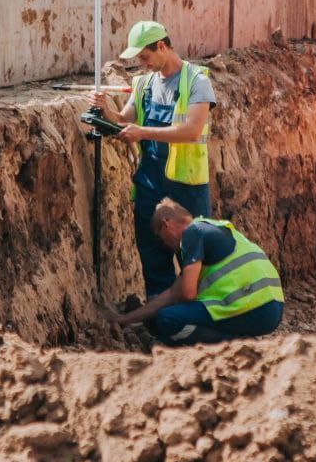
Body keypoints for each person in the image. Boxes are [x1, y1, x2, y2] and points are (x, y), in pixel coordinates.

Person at [91, 21, 214, 298]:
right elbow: (125, 120)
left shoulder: (197, 81)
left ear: (161, 46)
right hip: (150, 181)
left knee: (194, 255)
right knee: (151, 250)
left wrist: (142, 132)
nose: (143, 65)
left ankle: (199, 321)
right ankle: (163, 323)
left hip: (187, 185)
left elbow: (192, 130)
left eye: (145, 57)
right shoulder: (143, 83)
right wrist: (106, 110)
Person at [108, 199, 284, 345]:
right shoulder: (213, 227)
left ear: (166, 224)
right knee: (170, 313)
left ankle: (233, 345)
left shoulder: (193, 233)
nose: (165, 246)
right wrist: (125, 319)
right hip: (272, 307)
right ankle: (239, 340)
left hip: (255, 308)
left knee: (167, 320)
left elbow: (187, 293)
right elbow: (172, 294)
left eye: (161, 238)